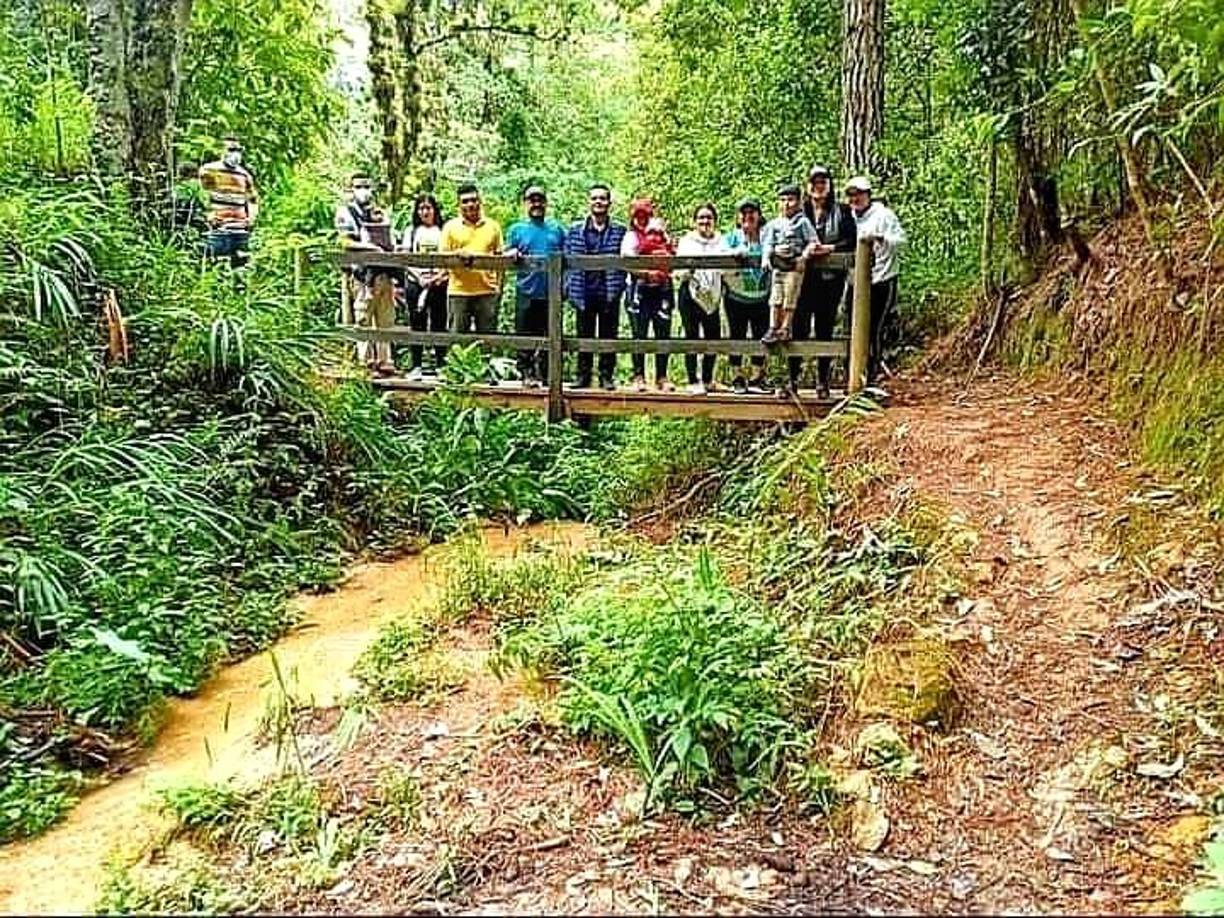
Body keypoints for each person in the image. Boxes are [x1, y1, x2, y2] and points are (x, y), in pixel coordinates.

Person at [793, 165, 857, 397]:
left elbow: (851, 240)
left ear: (829, 185)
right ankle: (792, 380)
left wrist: (829, 248)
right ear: (807, 186)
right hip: (802, 280)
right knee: (798, 326)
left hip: (830, 281)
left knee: (824, 328)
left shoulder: (842, 211)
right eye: (814, 182)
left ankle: (822, 381)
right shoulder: (800, 211)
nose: (818, 187)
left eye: (823, 182)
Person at [845, 175, 906, 384]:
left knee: (874, 329)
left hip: (882, 279)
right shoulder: (847, 218)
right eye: (851, 194)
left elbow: (901, 241)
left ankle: (871, 376)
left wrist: (881, 238)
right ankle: (853, 375)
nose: (855, 198)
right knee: (850, 329)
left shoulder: (883, 215)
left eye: (859, 194)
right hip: (854, 281)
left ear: (868, 195)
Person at [565, 183, 627, 390]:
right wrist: (568, 286)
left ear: (609, 203)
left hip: (609, 290)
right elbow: (565, 260)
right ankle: (582, 376)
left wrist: (619, 287)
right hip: (583, 291)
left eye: (602, 198)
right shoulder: (575, 231)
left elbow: (628, 257)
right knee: (584, 334)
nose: (598, 202)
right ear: (589, 202)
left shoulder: (619, 231)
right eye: (594, 198)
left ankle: (606, 376)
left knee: (609, 335)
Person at [335, 173, 397, 374]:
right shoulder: (346, 213)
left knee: (386, 319)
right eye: (359, 187)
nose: (364, 191)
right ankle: (366, 363)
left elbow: (390, 238)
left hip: (384, 273)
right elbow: (344, 242)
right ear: (351, 190)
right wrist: (369, 247)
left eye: (366, 187)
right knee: (363, 317)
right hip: (362, 275)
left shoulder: (379, 212)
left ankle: (386, 361)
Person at [505, 185, 566, 387]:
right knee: (525, 334)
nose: (536, 204)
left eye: (540, 200)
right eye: (532, 200)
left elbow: (568, 258)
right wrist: (511, 254)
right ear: (526, 203)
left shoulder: (556, 229)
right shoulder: (517, 229)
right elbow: (506, 252)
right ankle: (527, 374)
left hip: (552, 292)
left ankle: (549, 376)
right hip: (526, 290)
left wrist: (565, 287)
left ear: (546, 203)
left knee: (551, 334)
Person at [674, 202, 729, 394]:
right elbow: (678, 268)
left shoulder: (722, 241)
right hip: (689, 293)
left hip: (712, 295)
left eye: (709, 217)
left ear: (714, 221)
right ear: (694, 221)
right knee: (691, 336)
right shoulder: (687, 241)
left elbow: (727, 265)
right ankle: (692, 380)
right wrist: (687, 269)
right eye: (701, 218)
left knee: (713, 337)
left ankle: (708, 379)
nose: (705, 221)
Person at [621, 198, 675, 391]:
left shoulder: (661, 234)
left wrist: (662, 271)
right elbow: (627, 263)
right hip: (638, 290)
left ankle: (662, 376)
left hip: (662, 289)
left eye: (645, 216)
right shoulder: (631, 237)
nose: (642, 220)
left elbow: (672, 256)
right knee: (639, 333)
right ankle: (638, 376)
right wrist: (647, 273)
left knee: (663, 331)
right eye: (638, 216)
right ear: (633, 217)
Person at [439, 182, 504, 338]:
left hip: (487, 290)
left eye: (474, 200)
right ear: (459, 205)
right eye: (465, 201)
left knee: (488, 339)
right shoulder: (450, 227)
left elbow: (501, 259)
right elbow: (442, 258)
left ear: (480, 201)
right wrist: (457, 254)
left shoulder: (493, 226)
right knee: (457, 340)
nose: (470, 204)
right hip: (459, 291)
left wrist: (499, 288)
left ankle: (487, 363)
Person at [760, 183, 820, 349]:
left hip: (794, 266)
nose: (786, 204)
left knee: (790, 296)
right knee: (775, 297)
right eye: (783, 200)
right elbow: (768, 244)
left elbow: (813, 242)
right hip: (778, 266)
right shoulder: (774, 224)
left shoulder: (803, 222)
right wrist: (766, 259)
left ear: (799, 202)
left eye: (791, 200)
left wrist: (804, 257)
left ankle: (785, 327)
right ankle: (773, 327)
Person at [724, 198, 771, 394]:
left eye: (752, 212)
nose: (748, 216)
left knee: (761, 335)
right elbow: (721, 255)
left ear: (759, 216)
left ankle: (756, 377)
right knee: (737, 335)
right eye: (744, 213)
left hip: (762, 297)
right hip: (736, 297)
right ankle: (736, 377)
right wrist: (734, 254)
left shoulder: (767, 236)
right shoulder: (732, 237)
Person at [400, 193, 448, 379]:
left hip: (439, 282)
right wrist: (418, 276)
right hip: (416, 282)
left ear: (435, 210)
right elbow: (405, 258)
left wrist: (440, 276)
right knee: (416, 322)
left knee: (439, 322)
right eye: (421, 208)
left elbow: (449, 257)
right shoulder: (411, 231)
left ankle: (442, 365)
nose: (425, 212)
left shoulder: (443, 230)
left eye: (428, 208)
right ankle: (417, 365)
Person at [199, 137, 259, 267]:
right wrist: (209, 216)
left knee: (241, 267)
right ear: (221, 151)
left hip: (240, 230)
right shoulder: (209, 170)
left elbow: (252, 199)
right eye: (231, 150)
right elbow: (202, 196)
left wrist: (251, 219)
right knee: (216, 266)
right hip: (218, 229)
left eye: (238, 150)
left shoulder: (244, 175)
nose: (235, 154)